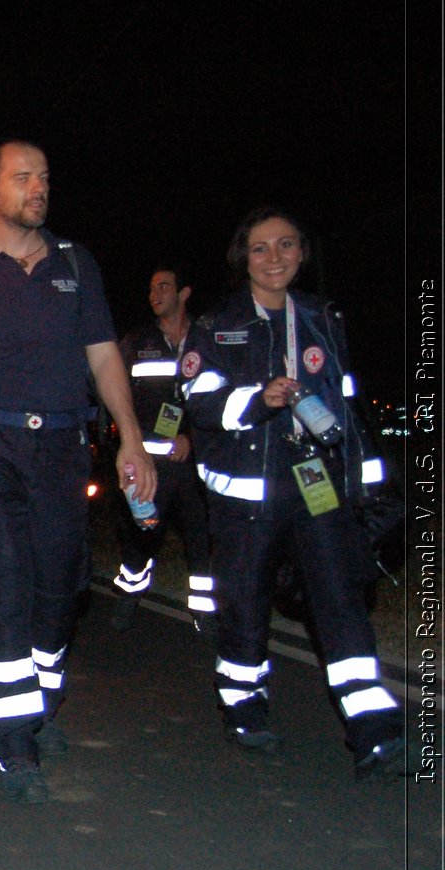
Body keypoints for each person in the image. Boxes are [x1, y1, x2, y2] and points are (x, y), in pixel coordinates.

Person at [0, 140, 156, 803]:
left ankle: (40, 693)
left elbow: (105, 359)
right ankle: (13, 742)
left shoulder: (76, 265)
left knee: (60, 585)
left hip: (63, 450)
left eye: (44, 176)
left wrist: (131, 438)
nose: (38, 187)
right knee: (1, 584)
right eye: (24, 178)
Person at [181, 207, 402, 774]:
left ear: (302, 253)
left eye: (285, 246)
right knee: (245, 607)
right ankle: (244, 705)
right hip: (245, 498)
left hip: (316, 484)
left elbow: (348, 407)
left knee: (340, 597)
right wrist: (262, 398)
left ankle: (373, 727)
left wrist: (368, 485)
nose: (274, 257)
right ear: (244, 258)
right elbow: (201, 404)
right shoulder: (215, 324)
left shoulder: (324, 316)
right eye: (260, 248)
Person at [111, 266, 215, 635]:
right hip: (150, 463)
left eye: (164, 286)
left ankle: (205, 612)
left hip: (196, 463)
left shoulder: (207, 339)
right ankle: (131, 591)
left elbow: (219, 400)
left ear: (183, 293)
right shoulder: (137, 341)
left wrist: (192, 439)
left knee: (202, 537)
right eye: (151, 287)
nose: (155, 293)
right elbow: (115, 391)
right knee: (143, 534)